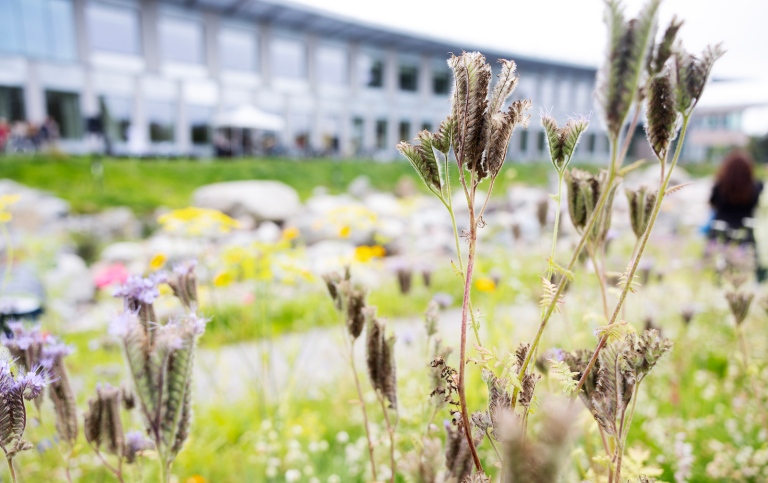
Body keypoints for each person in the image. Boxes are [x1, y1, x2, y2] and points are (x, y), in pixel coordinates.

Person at [708, 149, 765, 280]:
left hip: (720, 232)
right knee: (746, 271)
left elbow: (712, 203)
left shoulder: (719, 186)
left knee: (716, 272)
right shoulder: (756, 187)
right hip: (745, 233)